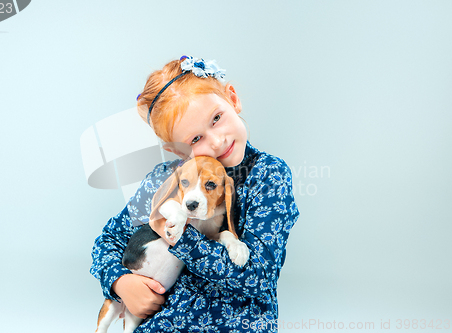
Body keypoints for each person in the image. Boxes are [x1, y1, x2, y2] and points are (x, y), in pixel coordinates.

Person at [90, 55, 300, 332]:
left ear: (232, 100)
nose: (217, 140)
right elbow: (109, 240)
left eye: (216, 118)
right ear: (179, 151)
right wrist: (120, 282)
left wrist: (179, 232)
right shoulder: (167, 177)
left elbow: (257, 277)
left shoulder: (267, 175)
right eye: (195, 139)